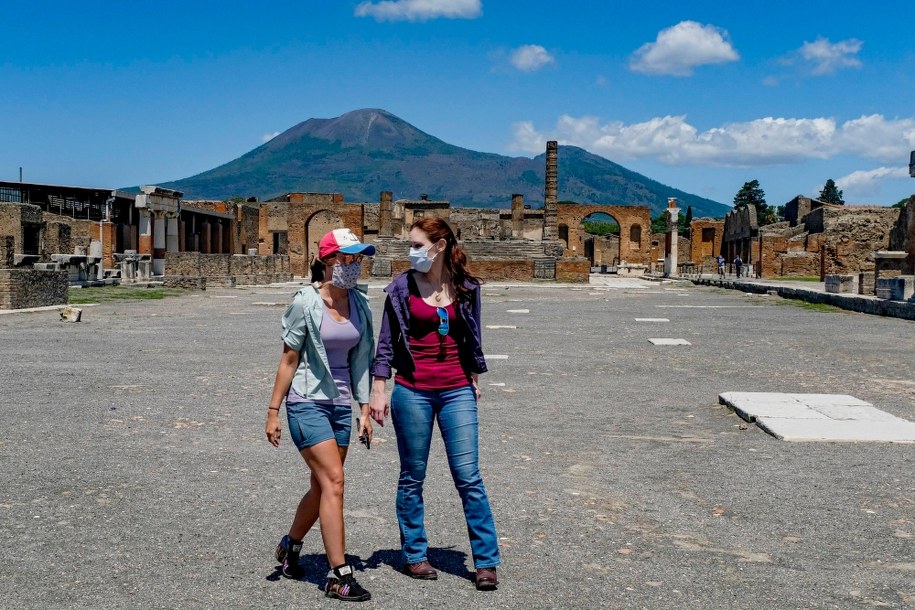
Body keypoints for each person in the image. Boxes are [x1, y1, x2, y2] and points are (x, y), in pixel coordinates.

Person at [369, 217, 501, 591]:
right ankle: (415, 555)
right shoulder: (400, 288)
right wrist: (380, 388)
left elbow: (472, 335)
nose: (411, 252)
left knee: (469, 476)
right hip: (412, 390)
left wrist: (474, 377)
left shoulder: (466, 286)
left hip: (456, 389)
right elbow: (385, 343)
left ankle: (486, 562)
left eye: (417, 244)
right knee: (413, 476)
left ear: (439, 246)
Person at [265, 228, 376, 603]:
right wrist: (273, 411)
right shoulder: (305, 303)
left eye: (359, 258)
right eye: (348, 258)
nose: (355, 264)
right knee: (335, 481)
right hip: (306, 400)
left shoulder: (360, 304)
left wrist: (364, 409)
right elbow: (289, 359)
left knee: (322, 485)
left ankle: (290, 546)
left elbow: (361, 360)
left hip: (341, 406)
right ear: (328, 260)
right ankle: (339, 574)